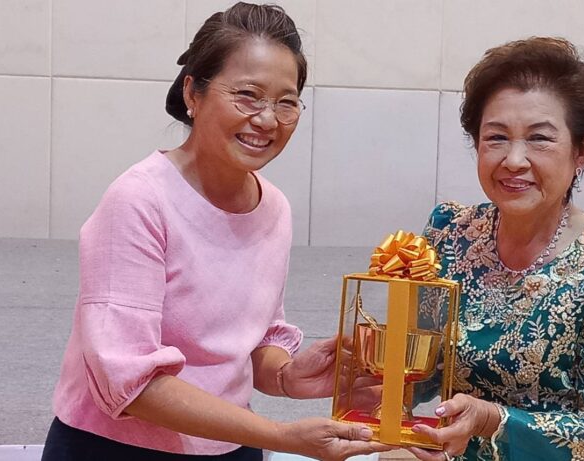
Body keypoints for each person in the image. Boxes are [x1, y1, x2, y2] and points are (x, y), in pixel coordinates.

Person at [41, 3, 390, 460]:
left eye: (286, 102)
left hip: (232, 446)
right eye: (248, 95)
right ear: (193, 92)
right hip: (113, 448)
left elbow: (254, 342)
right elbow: (129, 380)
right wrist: (280, 436)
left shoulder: (273, 208)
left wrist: (287, 374)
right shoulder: (139, 200)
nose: (267, 119)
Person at [408, 37, 584, 461]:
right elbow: (423, 369)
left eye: (539, 139)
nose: (513, 160)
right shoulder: (449, 233)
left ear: (582, 150)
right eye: (496, 137)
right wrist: (368, 373)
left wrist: (494, 420)